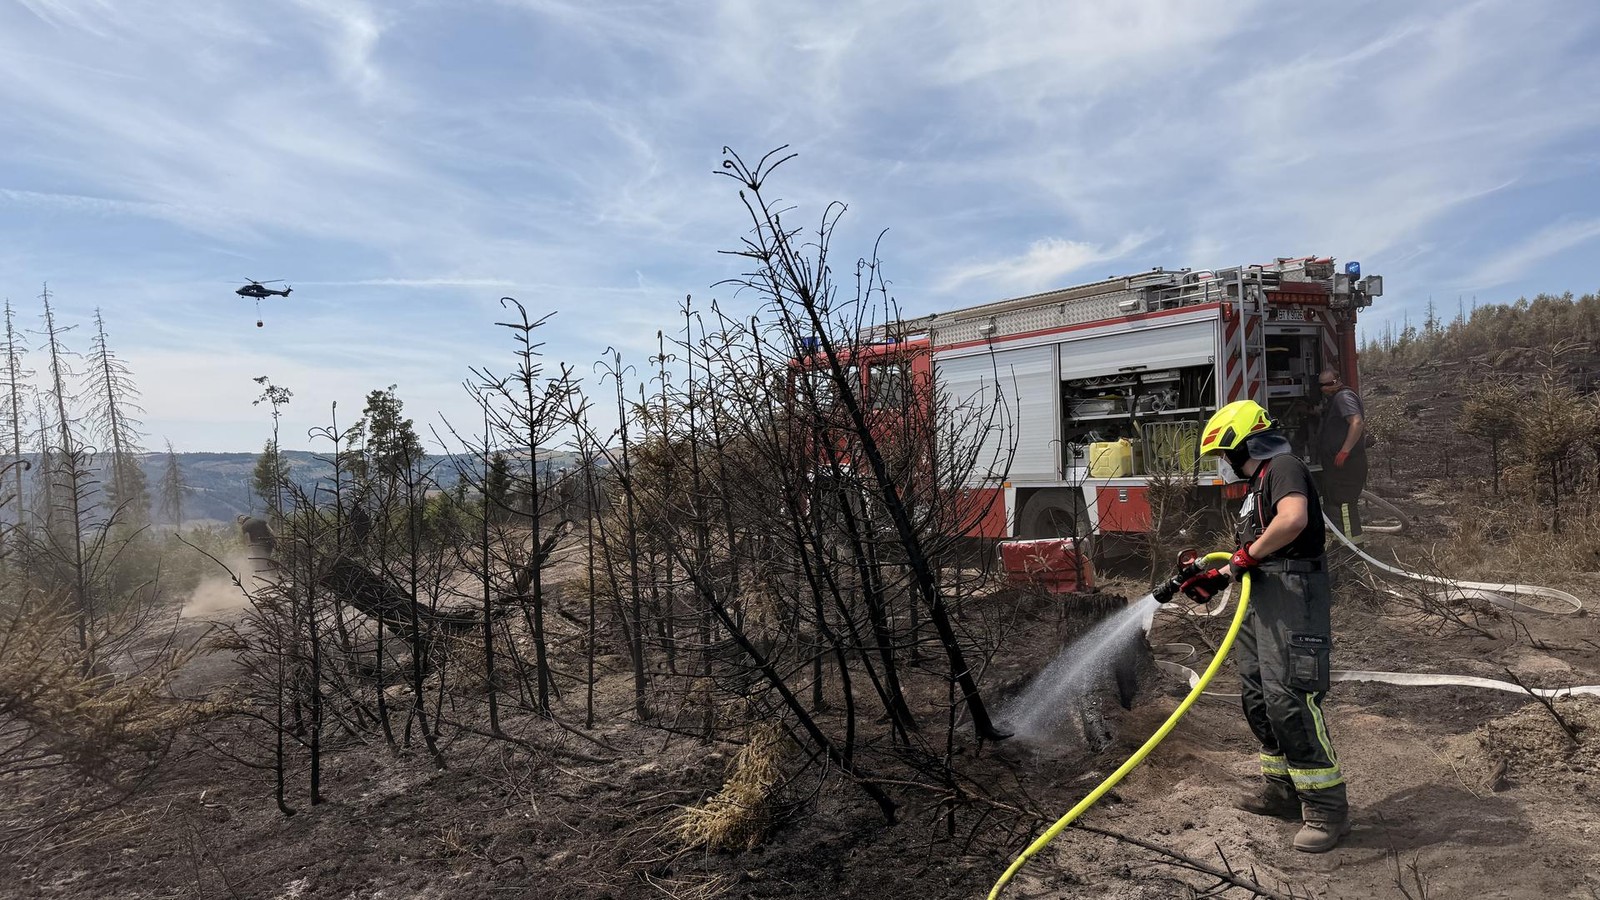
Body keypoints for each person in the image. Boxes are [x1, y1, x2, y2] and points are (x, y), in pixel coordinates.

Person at [1180, 399, 1350, 852]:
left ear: (1240, 445)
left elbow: (1292, 521)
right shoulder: (1258, 485)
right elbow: (1254, 549)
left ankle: (1327, 810)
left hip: (1294, 595)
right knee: (1258, 696)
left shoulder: (1283, 467)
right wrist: (1219, 577)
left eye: (1224, 456)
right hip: (1262, 596)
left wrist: (1246, 557)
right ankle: (1282, 793)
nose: (1225, 466)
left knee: (1289, 698)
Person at [1316, 367, 1368, 545]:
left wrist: (1344, 451)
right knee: (1335, 503)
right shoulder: (1335, 399)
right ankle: (1343, 542)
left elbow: (1357, 422)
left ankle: (1352, 549)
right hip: (1340, 465)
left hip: (1348, 465)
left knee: (1343, 504)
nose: (1326, 388)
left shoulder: (1343, 397)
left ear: (1337, 381)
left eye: (1329, 384)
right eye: (1323, 385)